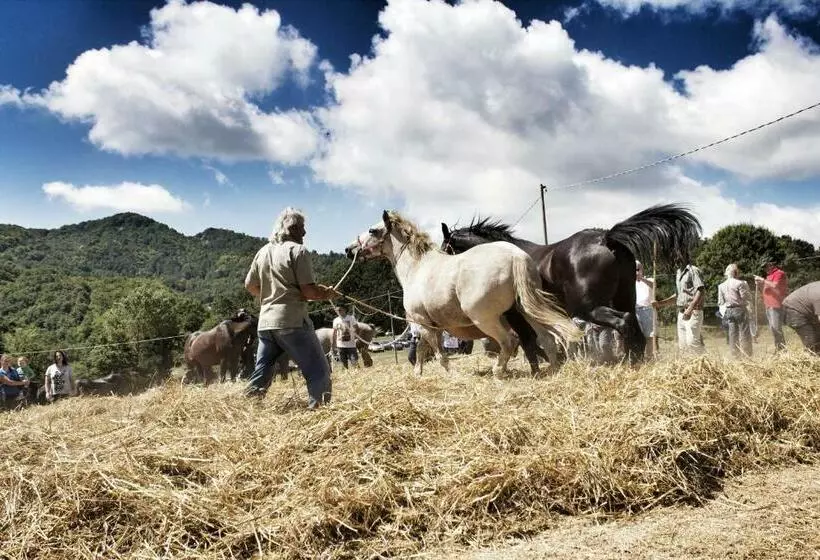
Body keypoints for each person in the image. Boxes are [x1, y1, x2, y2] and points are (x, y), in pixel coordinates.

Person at [244, 207, 338, 409]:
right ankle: (320, 414)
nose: (303, 232)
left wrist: (272, 294)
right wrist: (327, 293)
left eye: (303, 228)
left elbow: (250, 286)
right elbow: (309, 292)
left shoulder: (262, 252)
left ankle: (248, 410)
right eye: (299, 228)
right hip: (292, 321)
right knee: (318, 371)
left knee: (262, 372)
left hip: (266, 324)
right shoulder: (298, 251)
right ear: (288, 229)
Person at [653, 258, 705, 354]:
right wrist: (660, 303)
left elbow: (701, 290)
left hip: (693, 312)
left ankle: (703, 364)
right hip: (681, 313)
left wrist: (690, 309)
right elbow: (678, 295)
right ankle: (688, 367)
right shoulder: (678, 273)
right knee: (683, 346)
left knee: (692, 343)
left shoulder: (693, 270)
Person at [717, 263, 752, 357]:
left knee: (732, 334)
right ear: (736, 273)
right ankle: (747, 355)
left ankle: (735, 355)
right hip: (739, 309)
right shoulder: (740, 283)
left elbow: (720, 302)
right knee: (744, 332)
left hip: (728, 311)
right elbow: (745, 297)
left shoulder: (721, 286)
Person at [754, 258, 788, 352]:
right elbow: (766, 289)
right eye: (763, 267)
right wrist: (760, 284)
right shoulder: (769, 276)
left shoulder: (779, 273)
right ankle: (779, 349)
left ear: (771, 264)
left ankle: (782, 350)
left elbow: (775, 286)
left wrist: (762, 280)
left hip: (776, 305)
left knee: (776, 329)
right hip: (769, 305)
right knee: (773, 329)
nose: (765, 269)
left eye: (766, 266)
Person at [781, 280, 819, 353]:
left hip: (805, 312)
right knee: (811, 341)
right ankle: (809, 359)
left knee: (818, 337)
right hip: (793, 310)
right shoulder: (818, 295)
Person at [635, 261, 656, 359]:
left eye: (638, 269)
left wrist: (642, 279)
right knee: (638, 336)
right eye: (634, 269)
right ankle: (640, 356)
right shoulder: (631, 283)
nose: (636, 271)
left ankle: (649, 357)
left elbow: (654, 286)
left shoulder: (649, 280)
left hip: (647, 310)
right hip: (635, 311)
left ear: (642, 269)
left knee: (649, 336)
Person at [332, 304, 359, 369]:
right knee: (343, 364)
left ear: (344, 310)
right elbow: (335, 332)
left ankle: (357, 374)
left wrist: (355, 336)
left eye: (340, 310)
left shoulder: (351, 318)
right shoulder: (335, 320)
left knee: (354, 361)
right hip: (340, 345)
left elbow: (356, 327)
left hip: (351, 345)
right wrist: (333, 343)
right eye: (337, 310)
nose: (338, 311)